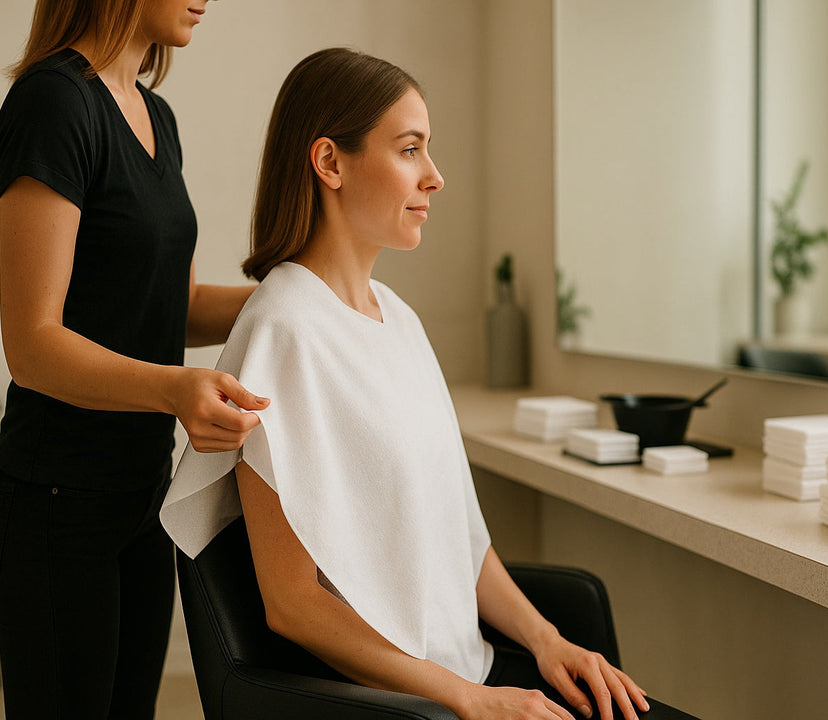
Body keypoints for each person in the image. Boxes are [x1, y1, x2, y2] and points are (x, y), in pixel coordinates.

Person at [162, 48, 689, 720]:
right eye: (409, 150)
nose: (436, 178)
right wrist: (473, 701)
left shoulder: (398, 319)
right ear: (330, 163)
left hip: (474, 670)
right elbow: (292, 606)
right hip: (409, 705)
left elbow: (460, 542)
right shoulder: (284, 332)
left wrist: (550, 642)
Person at [0, 1, 269, 717]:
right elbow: (33, 345)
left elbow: (179, 302)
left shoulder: (155, 116)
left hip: (140, 499)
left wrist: (300, 297)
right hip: (55, 505)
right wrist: (176, 390)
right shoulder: (53, 103)